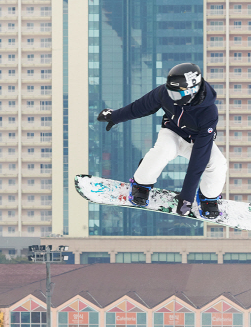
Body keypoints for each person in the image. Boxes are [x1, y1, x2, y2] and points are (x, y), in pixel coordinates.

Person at [97, 62, 226, 220]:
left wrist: (186, 197)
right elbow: (141, 106)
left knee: (218, 164)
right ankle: (141, 185)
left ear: (192, 92)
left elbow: (198, 161)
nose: (172, 98)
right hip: (172, 132)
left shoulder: (209, 113)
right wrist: (114, 116)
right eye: (170, 93)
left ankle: (209, 198)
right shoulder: (165, 92)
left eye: (176, 95)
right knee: (162, 151)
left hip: (196, 142)